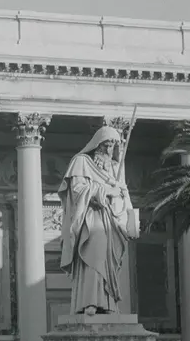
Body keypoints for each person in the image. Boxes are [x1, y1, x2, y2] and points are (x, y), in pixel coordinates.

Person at [58, 126, 139, 315]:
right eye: (106, 145)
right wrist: (105, 191)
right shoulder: (81, 162)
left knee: (109, 261)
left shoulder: (114, 169)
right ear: (97, 145)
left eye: (112, 146)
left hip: (110, 222)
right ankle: (89, 301)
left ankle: (108, 303)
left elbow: (122, 199)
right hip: (90, 220)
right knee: (93, 256)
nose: (109, 151)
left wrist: (120, 192)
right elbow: (78, 190)